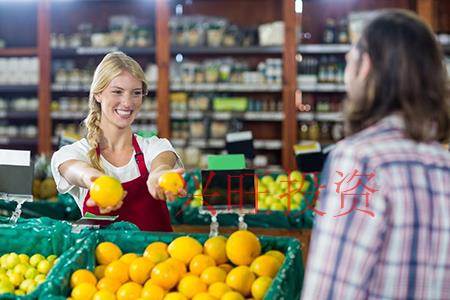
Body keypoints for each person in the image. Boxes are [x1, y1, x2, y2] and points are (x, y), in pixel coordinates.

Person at [301, 10, 450, 299]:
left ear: (366, 66)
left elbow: (330, 291)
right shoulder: (445, 165)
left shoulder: (361, 159)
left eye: (352, 57)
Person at [51, 52, 184, 232]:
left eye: (136, 93)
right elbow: (78, 172)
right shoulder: (72, 153)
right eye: (117, 92)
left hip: (156, 259)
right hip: (104, 259)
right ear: (98, 94)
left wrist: (158, 175)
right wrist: (96, 181)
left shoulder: (154, 146)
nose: (127, 103)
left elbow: (162, 164)